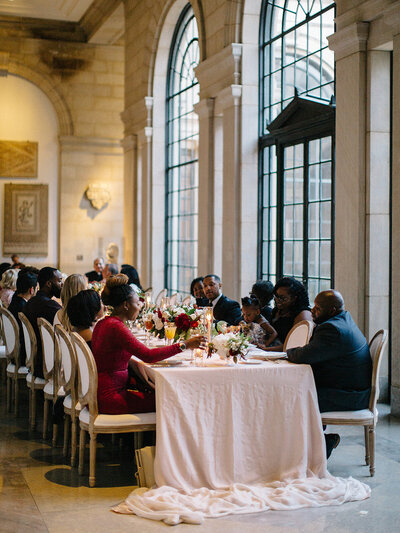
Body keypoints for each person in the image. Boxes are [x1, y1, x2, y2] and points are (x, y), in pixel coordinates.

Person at [91, 274, 205, 414]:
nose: (140, 306)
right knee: (172, 400)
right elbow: (148, 356)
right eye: (137, 303)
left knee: (162, 393)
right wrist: (185, 345)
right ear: (126, 305)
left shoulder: (104, 322)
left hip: (101, 392)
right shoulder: (116, 327)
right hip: (112, 398)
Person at [286, 290, 372, 457]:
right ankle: (316, 442)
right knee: (299, 391)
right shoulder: (342, 319)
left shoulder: (332, 329)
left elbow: (303, 356)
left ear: (332, 310)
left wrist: (287, 351)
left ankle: (311, 448)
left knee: (292, 397)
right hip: (349, 387)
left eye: (317, 308)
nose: (312, 311)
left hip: (350, 396)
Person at [24, 267, 63, 378]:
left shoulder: (31, 302)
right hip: (48, 364)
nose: (62, 284)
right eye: (59, 281)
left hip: (34, 360)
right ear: (49, 283)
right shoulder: (50, 306)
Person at [261, 277, 312, 351]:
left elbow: (296, 345)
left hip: (290, 355)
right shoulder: (279, 310)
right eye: (276, 296)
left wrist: (266, 349)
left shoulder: (303, 315)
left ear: (294, 298)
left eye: (283, 298)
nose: (278, 301)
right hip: (272, 351)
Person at [8, 270, 38, 364]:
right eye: (37, 288)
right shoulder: (24, 308)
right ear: (31, 290)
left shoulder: (14, 302)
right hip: (23, 355)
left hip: (12, 350)